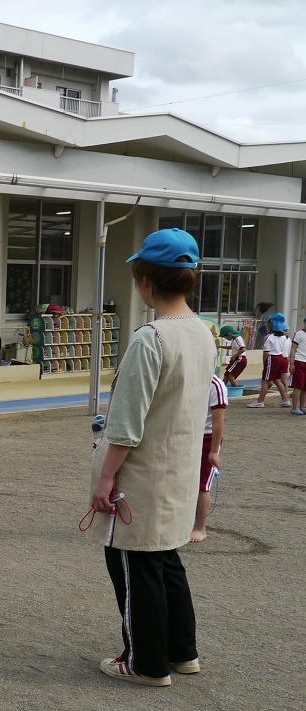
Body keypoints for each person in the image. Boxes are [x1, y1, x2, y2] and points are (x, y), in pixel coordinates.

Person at [89, 228, 216, 687]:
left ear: (144, 279)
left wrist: (105, 478)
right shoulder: (202, 334)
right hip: (178, 469)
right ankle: (182, 652)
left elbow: (126, 423)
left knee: (133, 563)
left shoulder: (151, 338)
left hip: (141, 477)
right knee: (166, 562)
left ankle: (145, 663)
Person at [190, 373, 227, 543]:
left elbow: (218, 422)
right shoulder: (187, 377)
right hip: (186, 435)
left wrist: (213, 451)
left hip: (206, 438)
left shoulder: (216, 385)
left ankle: (200, 527)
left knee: (202, 484)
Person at [248, 312, 290, 407]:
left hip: (272, 358)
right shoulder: (283, 337)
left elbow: (266, 352)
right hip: (280, 357)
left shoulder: (269, 337)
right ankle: (285, 399)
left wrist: (264, 363)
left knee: (265, 381)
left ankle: (260, 401)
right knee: (277, 379)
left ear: (271, 324)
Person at [290, 317, 306, 415]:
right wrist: (291, 363)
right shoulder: (299, 334)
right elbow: (293, 349)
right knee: (298, 386)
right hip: (299, 361)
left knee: (305, 387)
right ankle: (295, 407)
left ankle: (302, 407)